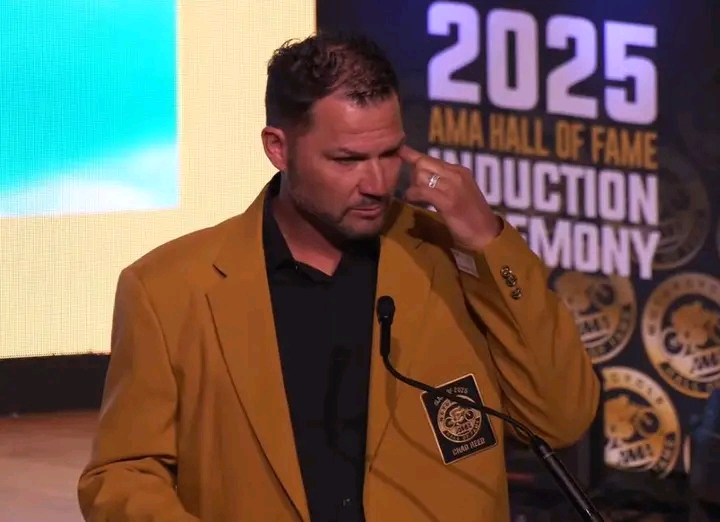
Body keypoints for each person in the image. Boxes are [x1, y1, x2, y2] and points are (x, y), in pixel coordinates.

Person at [77, 32, 600, 522]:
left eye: (389, 153)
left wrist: (487, 239)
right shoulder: (168, 289)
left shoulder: (452, 258)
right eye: (347, 159)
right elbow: (122, 475)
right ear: (278, 148)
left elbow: (561, 418)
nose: (376, 183)